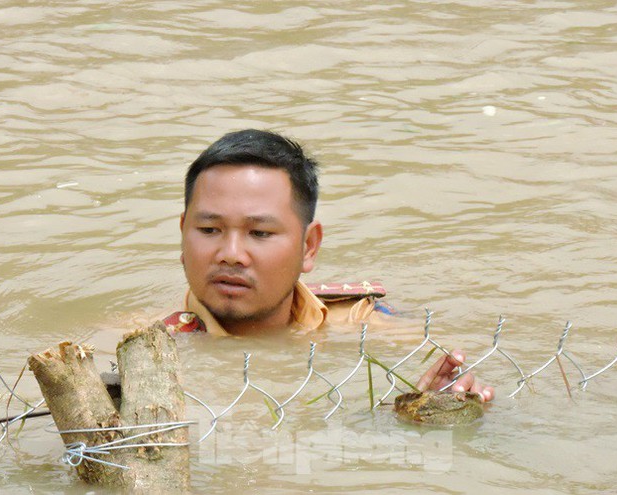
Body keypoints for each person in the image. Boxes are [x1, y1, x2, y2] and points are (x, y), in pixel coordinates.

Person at [178, 129, 494, 402]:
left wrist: (438, 399)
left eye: (259, 233)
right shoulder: (146, 342)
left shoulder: (361, 324)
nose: (231, 254)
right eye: (209, 230)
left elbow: (478, 364)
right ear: (182, 234)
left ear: (308, 246)